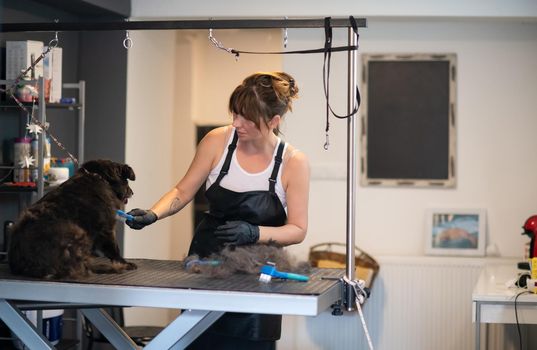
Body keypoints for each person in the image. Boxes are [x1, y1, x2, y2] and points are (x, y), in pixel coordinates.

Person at [126, 71, 310, 349]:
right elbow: (182, 191)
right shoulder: (217, 141)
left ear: (274, 121)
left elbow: (297, 229)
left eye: (246, 118)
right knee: (199, 339)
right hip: (206, 263)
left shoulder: (292, 162)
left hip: (257, 274)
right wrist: (153, 213)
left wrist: (254, 232)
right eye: (234, 114)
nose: (236, 123)